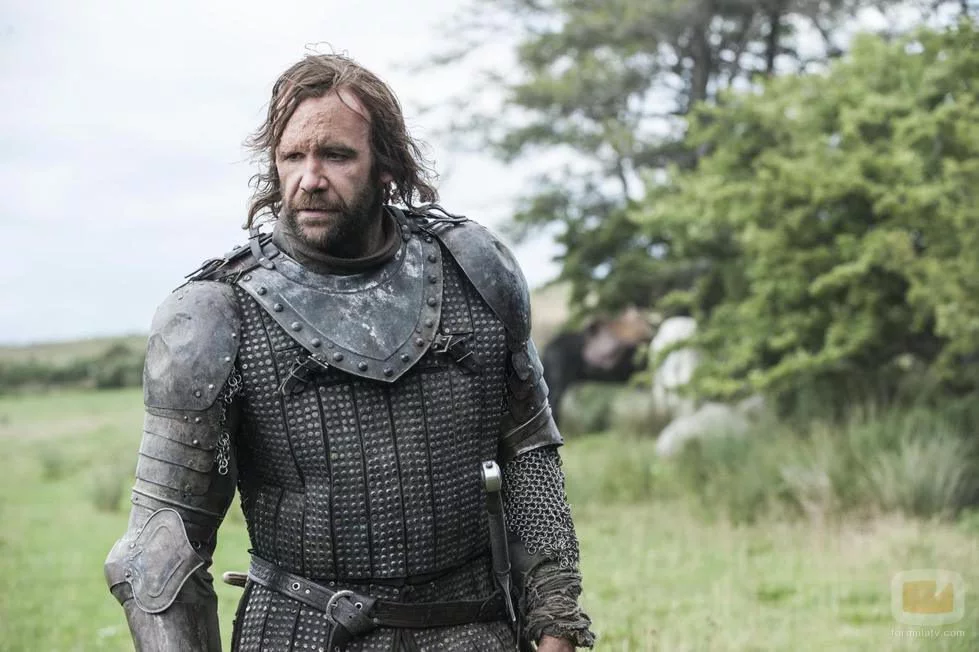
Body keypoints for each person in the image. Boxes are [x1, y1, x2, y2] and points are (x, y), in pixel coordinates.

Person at [104, 53, 595, 652]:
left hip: (472, 629)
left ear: (385, 164)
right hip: (301, 635)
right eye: (293, 157)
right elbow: (158, 556)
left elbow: (529, 458)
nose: (310, 178)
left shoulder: (476, 273)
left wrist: (555, 618)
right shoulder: (214, 317)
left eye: (336, 155)